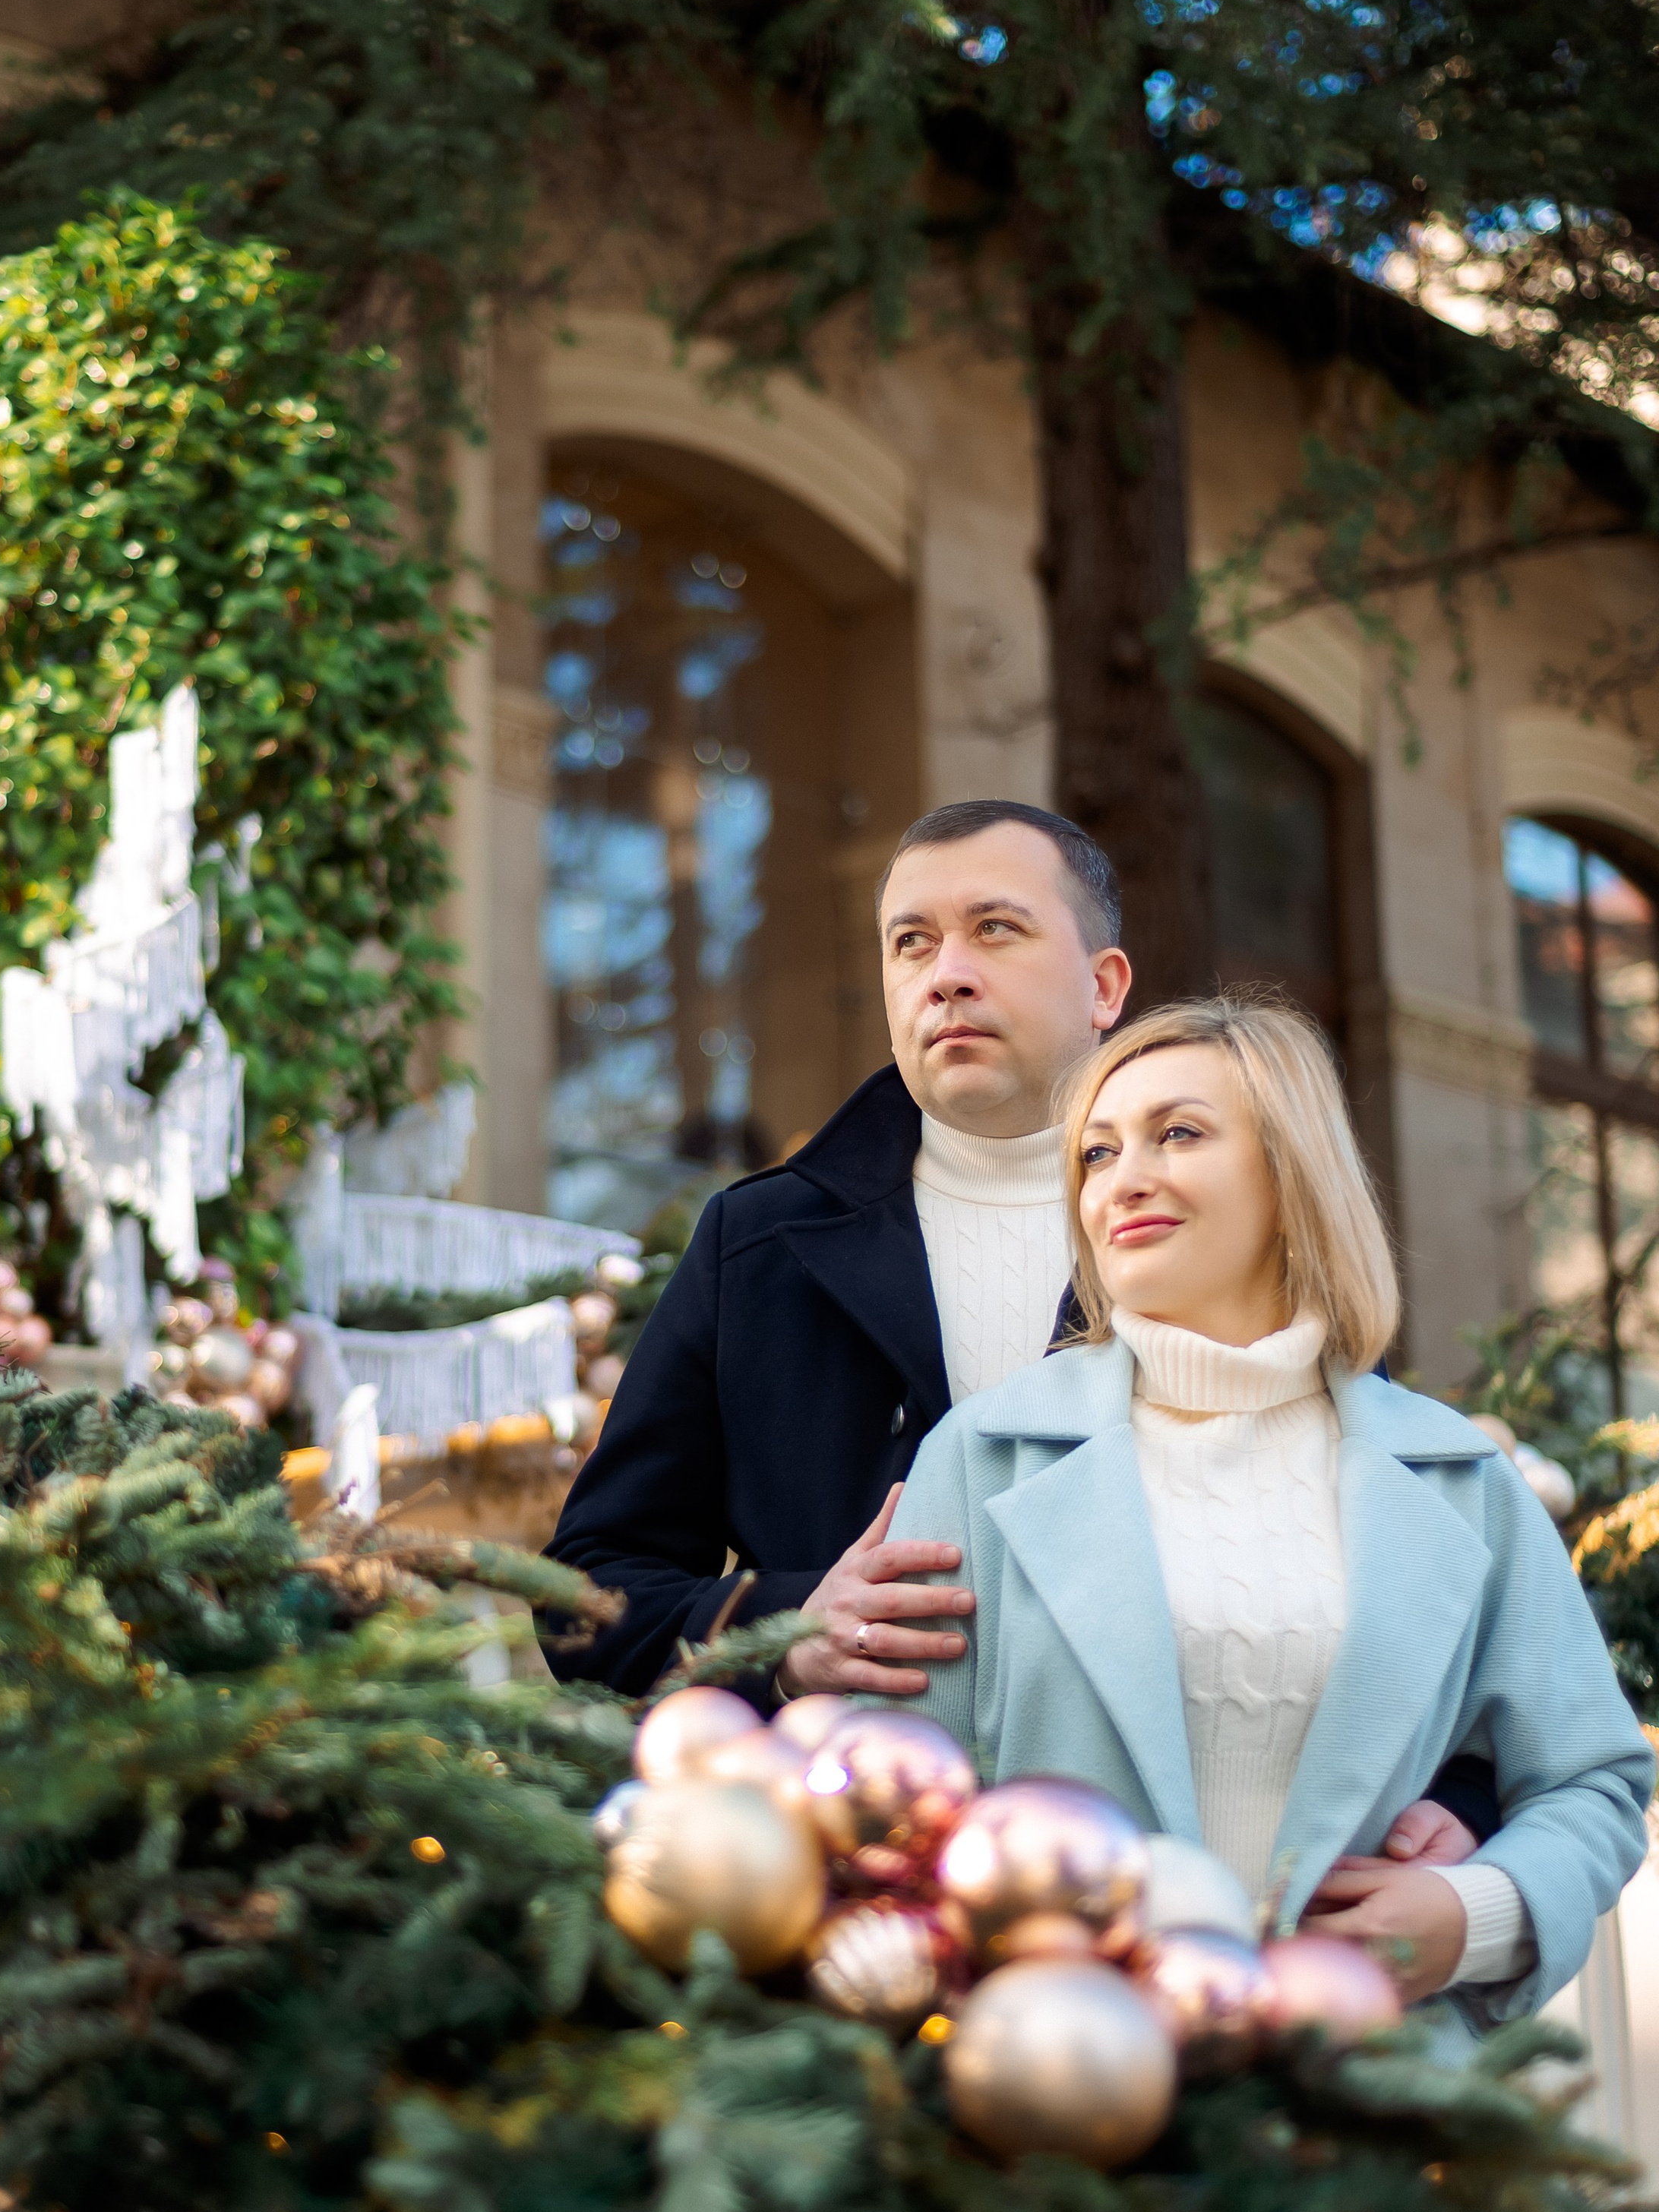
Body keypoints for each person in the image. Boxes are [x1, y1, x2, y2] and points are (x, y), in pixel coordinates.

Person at [547, 799, 1496, 1864]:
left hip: (1187, 1879)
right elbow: (584, 1590)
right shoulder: (757, 1245)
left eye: (994, 929)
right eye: (912, 943)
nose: (945, 972)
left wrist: (1459, 1796)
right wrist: (793, 1628)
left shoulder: (1227, 1219)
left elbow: (1392, 1564)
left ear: (1105, 987)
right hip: (847, 1898)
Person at [893, 994, 1651, 2015]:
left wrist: (1474, 1913)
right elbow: (891, 1807)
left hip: (1372, 2103)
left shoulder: (1461, 1478)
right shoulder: (981, 1460)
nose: (1127, 1180)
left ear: (1291, 1171)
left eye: (1180, 1134)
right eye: (1098, 1154)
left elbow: (1592, 1784)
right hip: (1048, 2100)